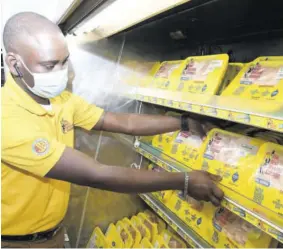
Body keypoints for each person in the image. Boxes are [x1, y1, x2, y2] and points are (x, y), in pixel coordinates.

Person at [1, 12, 224, 248]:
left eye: (64, 61)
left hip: (54, 233)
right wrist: (185, 181)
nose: (62, 73)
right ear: (15, 64)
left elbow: (119, 121)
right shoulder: (7, 119)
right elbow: (98, 174)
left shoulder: (61, 101)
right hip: (16, 242)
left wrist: (183, 123)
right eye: (49, 65)